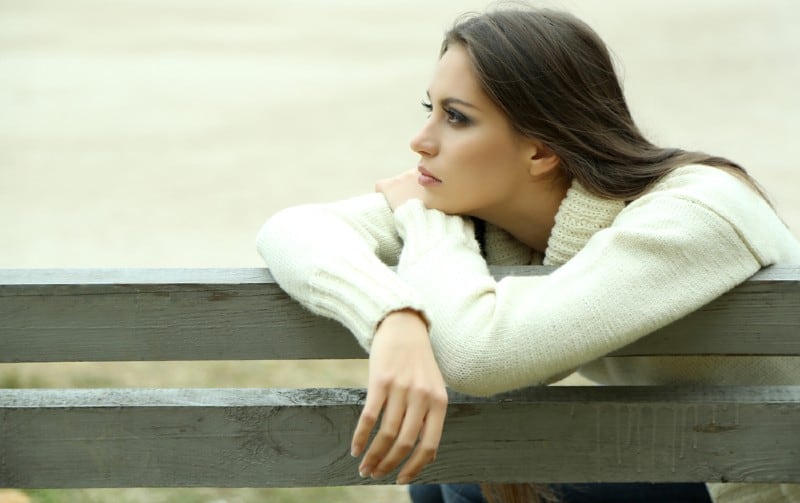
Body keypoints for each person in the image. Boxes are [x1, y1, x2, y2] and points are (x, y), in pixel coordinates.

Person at [257, 5, 800, 503]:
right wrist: (391, 317)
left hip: (763, 481)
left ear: (540, 150)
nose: (421, 140)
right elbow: (292, 228)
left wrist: (423, 221)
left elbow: (479, 358)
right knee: (448, 474)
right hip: (694, 459)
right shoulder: (484, 206)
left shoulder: (697, 211)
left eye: (456, 117)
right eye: (431, 109)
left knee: (463, 473)